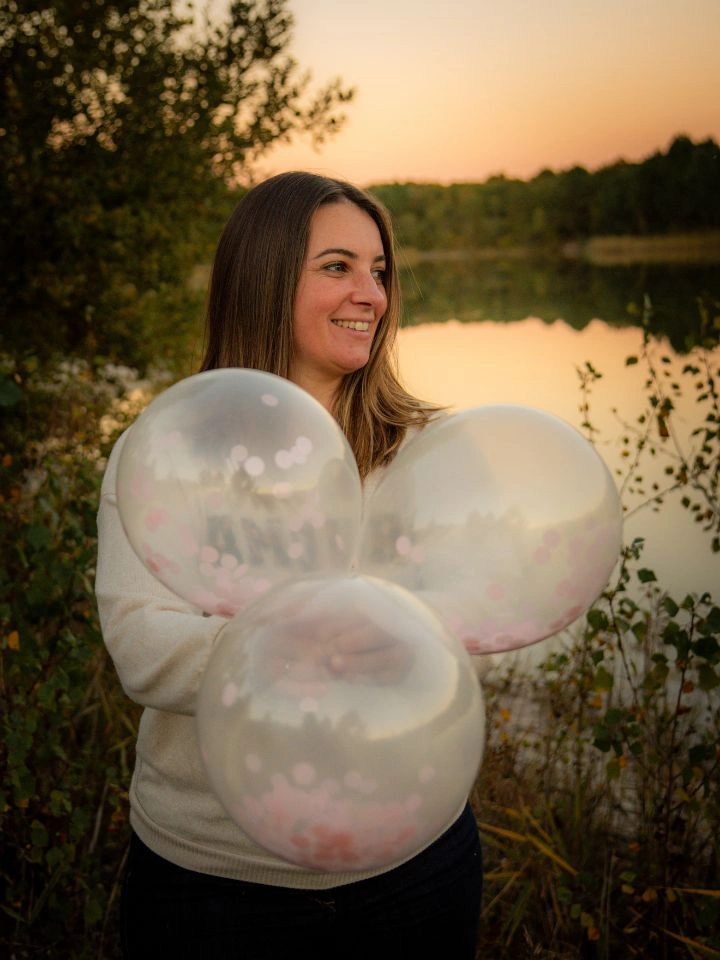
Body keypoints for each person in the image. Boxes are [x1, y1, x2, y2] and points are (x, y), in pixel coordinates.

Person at [96, 171, 484, 960]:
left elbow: (462, 619)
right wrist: (310, 642)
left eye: (379, 270)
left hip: (414, 862)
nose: (370, 293)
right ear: (267, 280)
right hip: (220, 884)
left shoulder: (422, 451)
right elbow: (143, 648)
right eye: (338, 266)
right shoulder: (167, 452)